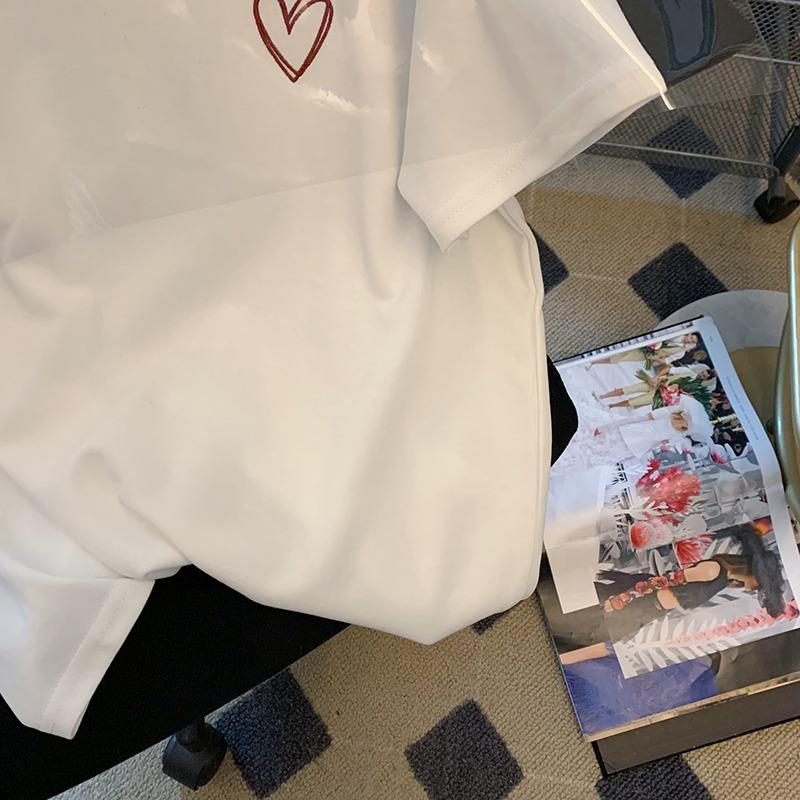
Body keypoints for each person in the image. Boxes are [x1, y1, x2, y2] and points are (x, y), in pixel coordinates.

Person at [595, 524, 785, 642]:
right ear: (752, 571)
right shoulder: (714, 571)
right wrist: (624, 598)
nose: (754, 589)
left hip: (651, 609)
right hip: (642, 600)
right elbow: (667, 580)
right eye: (759, 584)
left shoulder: (723, 579)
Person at [597, 364, 717, 410]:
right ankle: (603, 396)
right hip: (657, 383)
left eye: (704, 375)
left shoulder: (696, 389)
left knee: (633, 402)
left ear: (706, 379)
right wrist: (656, 377)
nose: (701, 374)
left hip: (660, 395)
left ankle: (611, 406)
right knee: (629, 389)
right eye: (702, 372)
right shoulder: (688, 372)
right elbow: (669, 369)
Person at [590, 333, 699, 369]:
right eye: (691, 338)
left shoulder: (681, 352)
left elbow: (666, 361)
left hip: (648, 355)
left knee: (622, 358)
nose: (690, 341)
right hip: (646, 343)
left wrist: (656, 358)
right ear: (689, 334)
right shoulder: (677, 334)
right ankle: (596, 357)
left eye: (692, 341)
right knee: (621, 350)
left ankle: (595, 362)